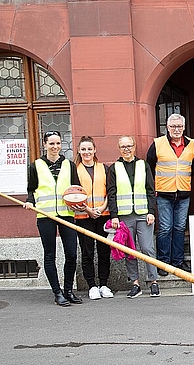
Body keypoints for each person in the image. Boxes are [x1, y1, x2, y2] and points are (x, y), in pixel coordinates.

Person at [24, 131, 82, 307]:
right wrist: (29, 202)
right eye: (51, 144)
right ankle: (57, 293)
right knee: (50, 255)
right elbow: (31, 190)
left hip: (67, 214)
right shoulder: (35, 166)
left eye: (58, 143)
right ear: (45, 144)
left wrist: (79, 203)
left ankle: (68, 290)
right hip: (45, 215)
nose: (55, 147)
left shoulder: (69, 165)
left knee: (71, 254)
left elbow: (76, 188)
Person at [107, 135, 160, 298]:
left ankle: (153, 281)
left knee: (147, 248)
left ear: (134, 147)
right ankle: (135, 283)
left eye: (129, 146)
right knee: (129, 250)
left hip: (144, 214)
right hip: (124, 216)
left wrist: (151, 211)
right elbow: (112, 193)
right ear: (119, 148)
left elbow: (151, 190)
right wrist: (114, 215)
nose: (127, 149)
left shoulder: (143, 165)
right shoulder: (114, 168)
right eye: (123, 146)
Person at [146, 113, 194, 276]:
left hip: (183, 193)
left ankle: (178, 261)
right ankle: (164, 263)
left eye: (179, 126)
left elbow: (193, 167)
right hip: (163, 194)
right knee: (165, 229)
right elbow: (149, 166)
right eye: (173, 126)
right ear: (167, 127)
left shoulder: (191, 144)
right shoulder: (157, 143)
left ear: (183, 127)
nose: (176, 129)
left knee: (180, 228)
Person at [74, 136, 113, 300]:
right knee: (87, 252)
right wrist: (89, 210)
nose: (87, 152)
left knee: (104, 251)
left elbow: (110, 191)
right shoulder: (75, 170)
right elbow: (74, 193)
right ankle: (92, 286)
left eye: (89, 149)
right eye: (83, 149)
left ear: (95, 150)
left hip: (103, 215)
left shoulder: (104, 168)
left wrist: (102, 208)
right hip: (84, 217)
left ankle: (104, 284)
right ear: (79, 151)